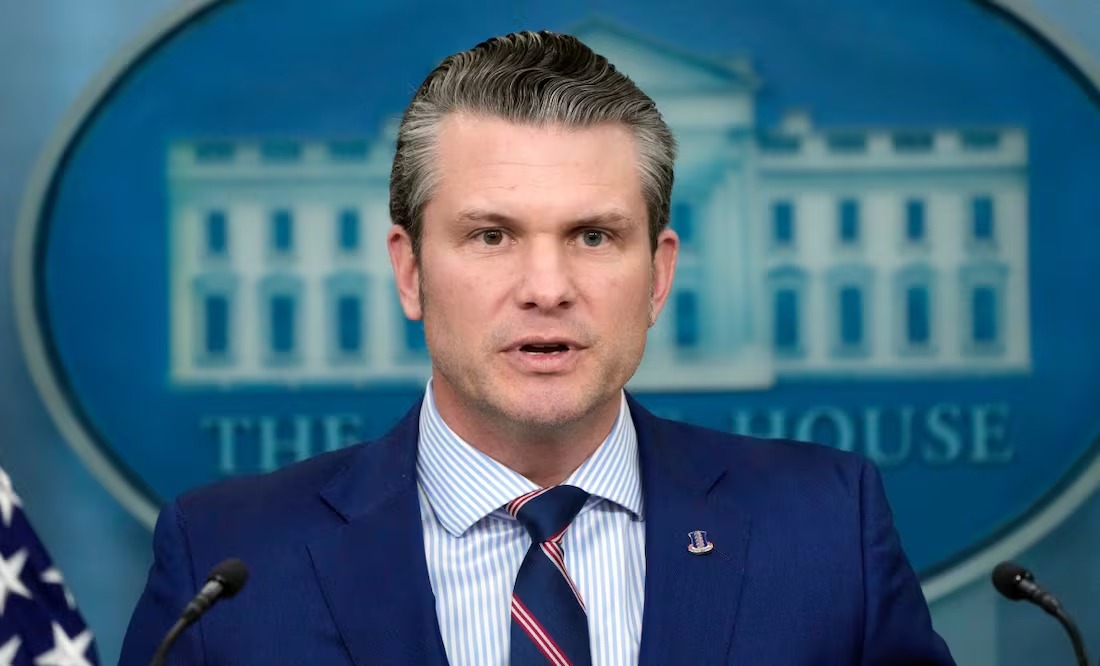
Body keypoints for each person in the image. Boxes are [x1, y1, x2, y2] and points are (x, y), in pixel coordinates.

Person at [120, 30, 954, 665]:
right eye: (491, 236)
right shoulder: (227, 560)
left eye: (593, 236)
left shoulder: (826, 529)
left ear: (658, 275)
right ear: (410, 272)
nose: (547, 287)